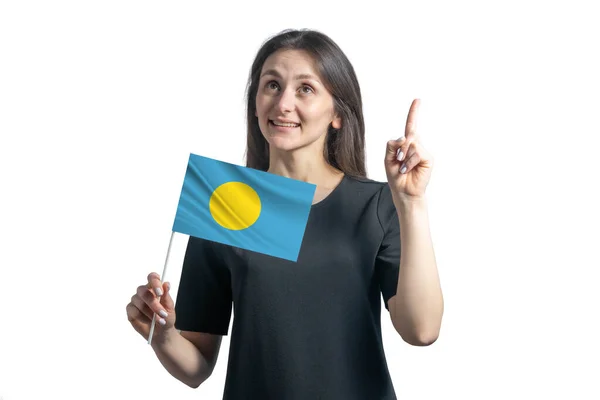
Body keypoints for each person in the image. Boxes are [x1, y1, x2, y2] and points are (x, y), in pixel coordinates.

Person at [126, 28, 444, 399]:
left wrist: (412, 203)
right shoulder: (227, 203)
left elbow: (421, 330)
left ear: (337, 113)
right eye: (272, 85)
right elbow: (197, 367)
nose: (283, 104)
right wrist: (163, 334)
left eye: (305, 89)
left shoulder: (375, 204)